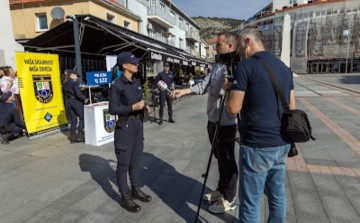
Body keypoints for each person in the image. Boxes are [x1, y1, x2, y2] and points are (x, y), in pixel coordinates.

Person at [224, 27, 296, 223]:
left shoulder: (246, 67)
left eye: (239, 48)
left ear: (248, 42)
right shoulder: (283, 68)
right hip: (282, 143)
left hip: (257, 145)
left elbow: (233, 108)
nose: (238, 53)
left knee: (251, 202)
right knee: (277, 195)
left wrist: (229, 89)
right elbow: (292, 106)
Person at [172, 32, 238, 214]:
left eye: (218, 44)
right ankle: (221, 189)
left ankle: (229, 197)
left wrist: (230, 87)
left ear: (230, 46)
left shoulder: (235, 66)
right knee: (219, 158)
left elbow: (239, 92)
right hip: (212, 119)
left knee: (227, 159)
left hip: (226, 122)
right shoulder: (217, 64)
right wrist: (184, 91)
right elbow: (204, 86)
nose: (215, 47)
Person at [109, 51, 152, 213]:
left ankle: (135, 189)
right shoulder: (117, 85)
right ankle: (125, 196)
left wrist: (144, 106)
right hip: (125, 127)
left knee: (135, 161)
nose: (137, 64)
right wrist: (132, 108)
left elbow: (138, 100)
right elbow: (113, 108)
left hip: (137, 126)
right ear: (125, 65)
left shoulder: (136, 82)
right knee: (123, 164)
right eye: (134, 62)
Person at [62, 69, 86, 144]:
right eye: (76, 75)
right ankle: (80, 135)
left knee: (73, 120)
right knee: (82, 118)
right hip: (76, 102)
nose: (77, 77)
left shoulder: (64, 82)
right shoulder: (74, 82)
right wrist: (84, 98)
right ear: (72, 75)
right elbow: (78, 94)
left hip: (68, 102)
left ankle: (73, 138)